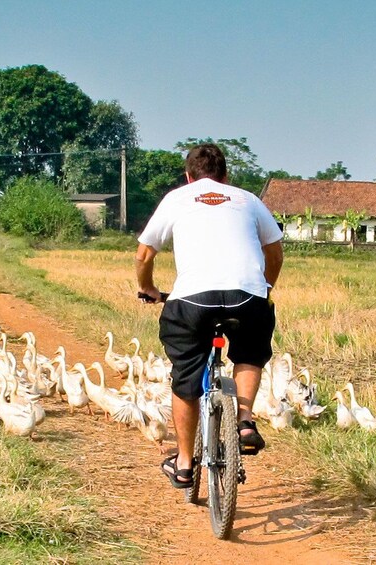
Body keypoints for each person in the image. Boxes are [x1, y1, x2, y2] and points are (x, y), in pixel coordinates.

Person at [135, 143, 284, 489]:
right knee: (249, 351)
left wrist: (148, 288)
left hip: (192, 301)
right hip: (247, 296)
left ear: (189, 177)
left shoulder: (177, 199)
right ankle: (245, 420)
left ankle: (185, 464)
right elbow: (275, 252)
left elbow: (144, 255)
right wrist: (265, 288)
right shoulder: (248, 199)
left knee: (186, 374)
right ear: (226, 176)